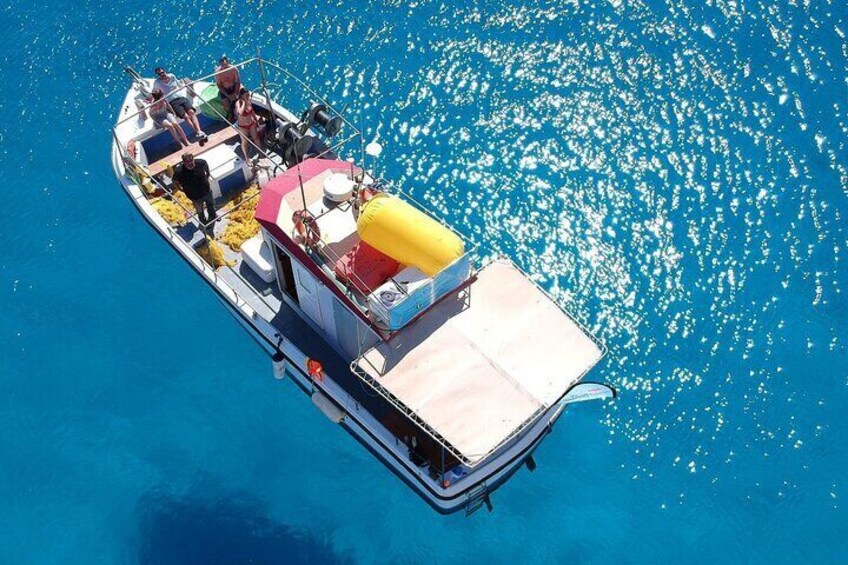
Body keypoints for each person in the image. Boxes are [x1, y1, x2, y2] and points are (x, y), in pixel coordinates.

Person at [153, 66, 207, 142]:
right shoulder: (157, 83)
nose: (162, 75)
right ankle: (198, 132)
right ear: (158, 75)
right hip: (172, 101)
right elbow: (154, 92)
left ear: (165, 71)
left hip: (181, 97)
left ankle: (199, 132)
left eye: (162, 72)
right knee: (185, 116)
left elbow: (179, 84)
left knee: (191, 112)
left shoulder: (172, 76)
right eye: (159, 74)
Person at [173, 153, 216, 235]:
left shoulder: (200, 163)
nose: (190, 163)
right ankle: (204, 223)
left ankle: (213, 217)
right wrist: (180, 189)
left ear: (193, 159)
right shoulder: (179, 171)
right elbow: (174, 181)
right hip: (195, 197)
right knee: (200, 212)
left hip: (207, 192)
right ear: (183, 162)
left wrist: (208, 174)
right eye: (187, 162)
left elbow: (205, 164)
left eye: (191, 160)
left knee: (211, 206)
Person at [235, 87, 262, 159]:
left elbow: (252, 111)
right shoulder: (238, 103)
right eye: (246, 95)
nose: (248, 96)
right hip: (242, 127)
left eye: (248, 95)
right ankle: (247, 158)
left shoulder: (249, 101)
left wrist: (256, 120)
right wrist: (244, 103)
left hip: (251, 124)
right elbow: (240, 112)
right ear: (241, 96)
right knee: (245, 142)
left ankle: (260, 152)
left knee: (256, 138)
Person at [215, 55, 241, 121]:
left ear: (228, 63)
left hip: (234, 87)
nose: (224, 67)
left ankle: (241, 112)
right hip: (224, 90)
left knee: (242, 97)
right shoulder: (218, 73)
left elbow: (237, 81)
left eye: (225, 65)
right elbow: (219, 86)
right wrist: (228, 96)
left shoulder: (233, 69)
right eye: (223, 66)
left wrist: (236, 92)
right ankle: (231, 114)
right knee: (227, 106)